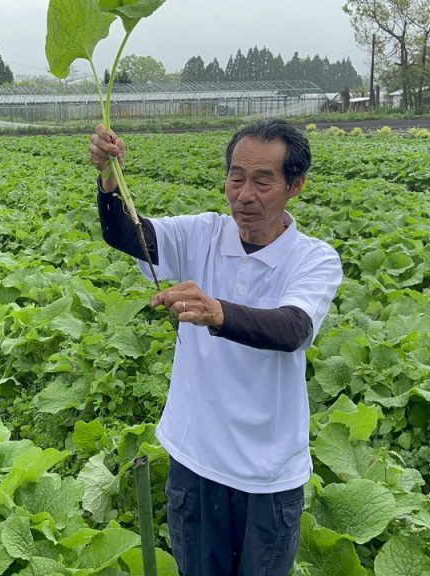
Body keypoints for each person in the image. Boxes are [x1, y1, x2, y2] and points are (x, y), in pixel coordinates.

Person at [89, 119, 342, 575]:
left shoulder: (313, 258)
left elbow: (293, 329)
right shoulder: (202, 234)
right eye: (236, 177)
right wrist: (109, 179)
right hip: (196, 461)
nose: (245, 194)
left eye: (263, 181)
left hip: (269, 475)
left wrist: (217, 312)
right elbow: (128, 236)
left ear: (295, 186)